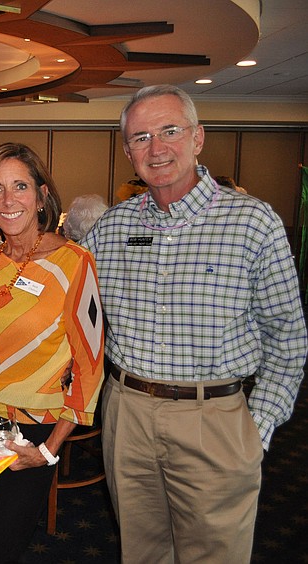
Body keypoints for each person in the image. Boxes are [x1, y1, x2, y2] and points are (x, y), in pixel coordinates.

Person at [80, 84, 307, 563]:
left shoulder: (253, 223)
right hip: (127, 415)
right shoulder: (111, 228)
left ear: (198, 137)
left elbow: (287, 338)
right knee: (141, 552)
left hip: (216, 419)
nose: (156, 148)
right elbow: (70, 306)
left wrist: (255, 429)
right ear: (128, 152)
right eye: (141, 137)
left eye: (170, 131)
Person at [0, 143, 104, 563]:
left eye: (19, 186)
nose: (8, 200)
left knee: (0, 546)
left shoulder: (75, 263)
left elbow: (90, 364)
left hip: (33, 429)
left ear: (42, 196)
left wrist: (49, 449)